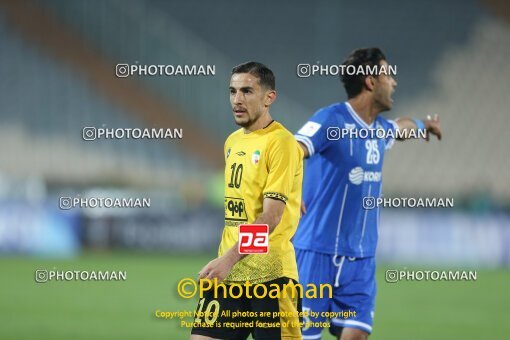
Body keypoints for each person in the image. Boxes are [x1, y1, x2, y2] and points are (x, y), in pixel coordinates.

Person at [293, 48, 442, 340]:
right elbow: (292, 151)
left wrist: (425, 126)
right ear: (370, 81)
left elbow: (401, 128)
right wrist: (286, 191)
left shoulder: (380, 130)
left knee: (357, 335)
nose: (394, 83)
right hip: (314, 253)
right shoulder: (330, 120)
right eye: (388, 74)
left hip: (360, 259)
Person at [191, 62, 304, 340]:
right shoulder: (232, 142)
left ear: (269, 97)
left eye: (247, 91)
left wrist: (227, 259)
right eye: (232, 91)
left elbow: (271, 218)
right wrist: (228, 262)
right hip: (229, 277)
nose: (237, 100)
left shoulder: (281, 142)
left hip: (271, 276)